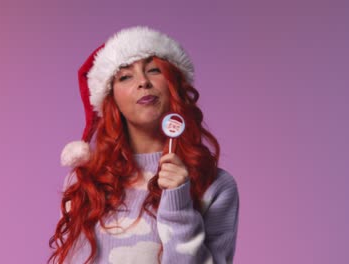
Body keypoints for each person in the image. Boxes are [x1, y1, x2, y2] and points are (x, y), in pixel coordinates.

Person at [49, 26, 239, 264]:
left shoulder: (215, 185)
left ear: (174, 86)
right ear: (111, 98)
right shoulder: (85, 181)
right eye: (125, 76)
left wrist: (178, 202)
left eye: (154, 70)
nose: (143, 82)